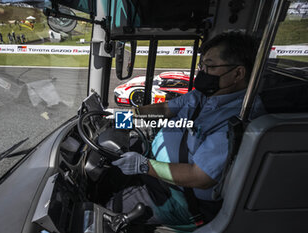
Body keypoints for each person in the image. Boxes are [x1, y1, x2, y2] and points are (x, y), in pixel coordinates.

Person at [104, 32, 265, 230]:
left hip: (182, 198)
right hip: (159, 173)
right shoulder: (203, 95)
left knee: (109, 213)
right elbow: (164, 109)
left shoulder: (238, 120)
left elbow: (200, 177)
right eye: (202, 66)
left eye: (210, 66)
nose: (202, 73)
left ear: (238, 73)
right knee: (109, 171)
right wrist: (118, 117)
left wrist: (144, 166)